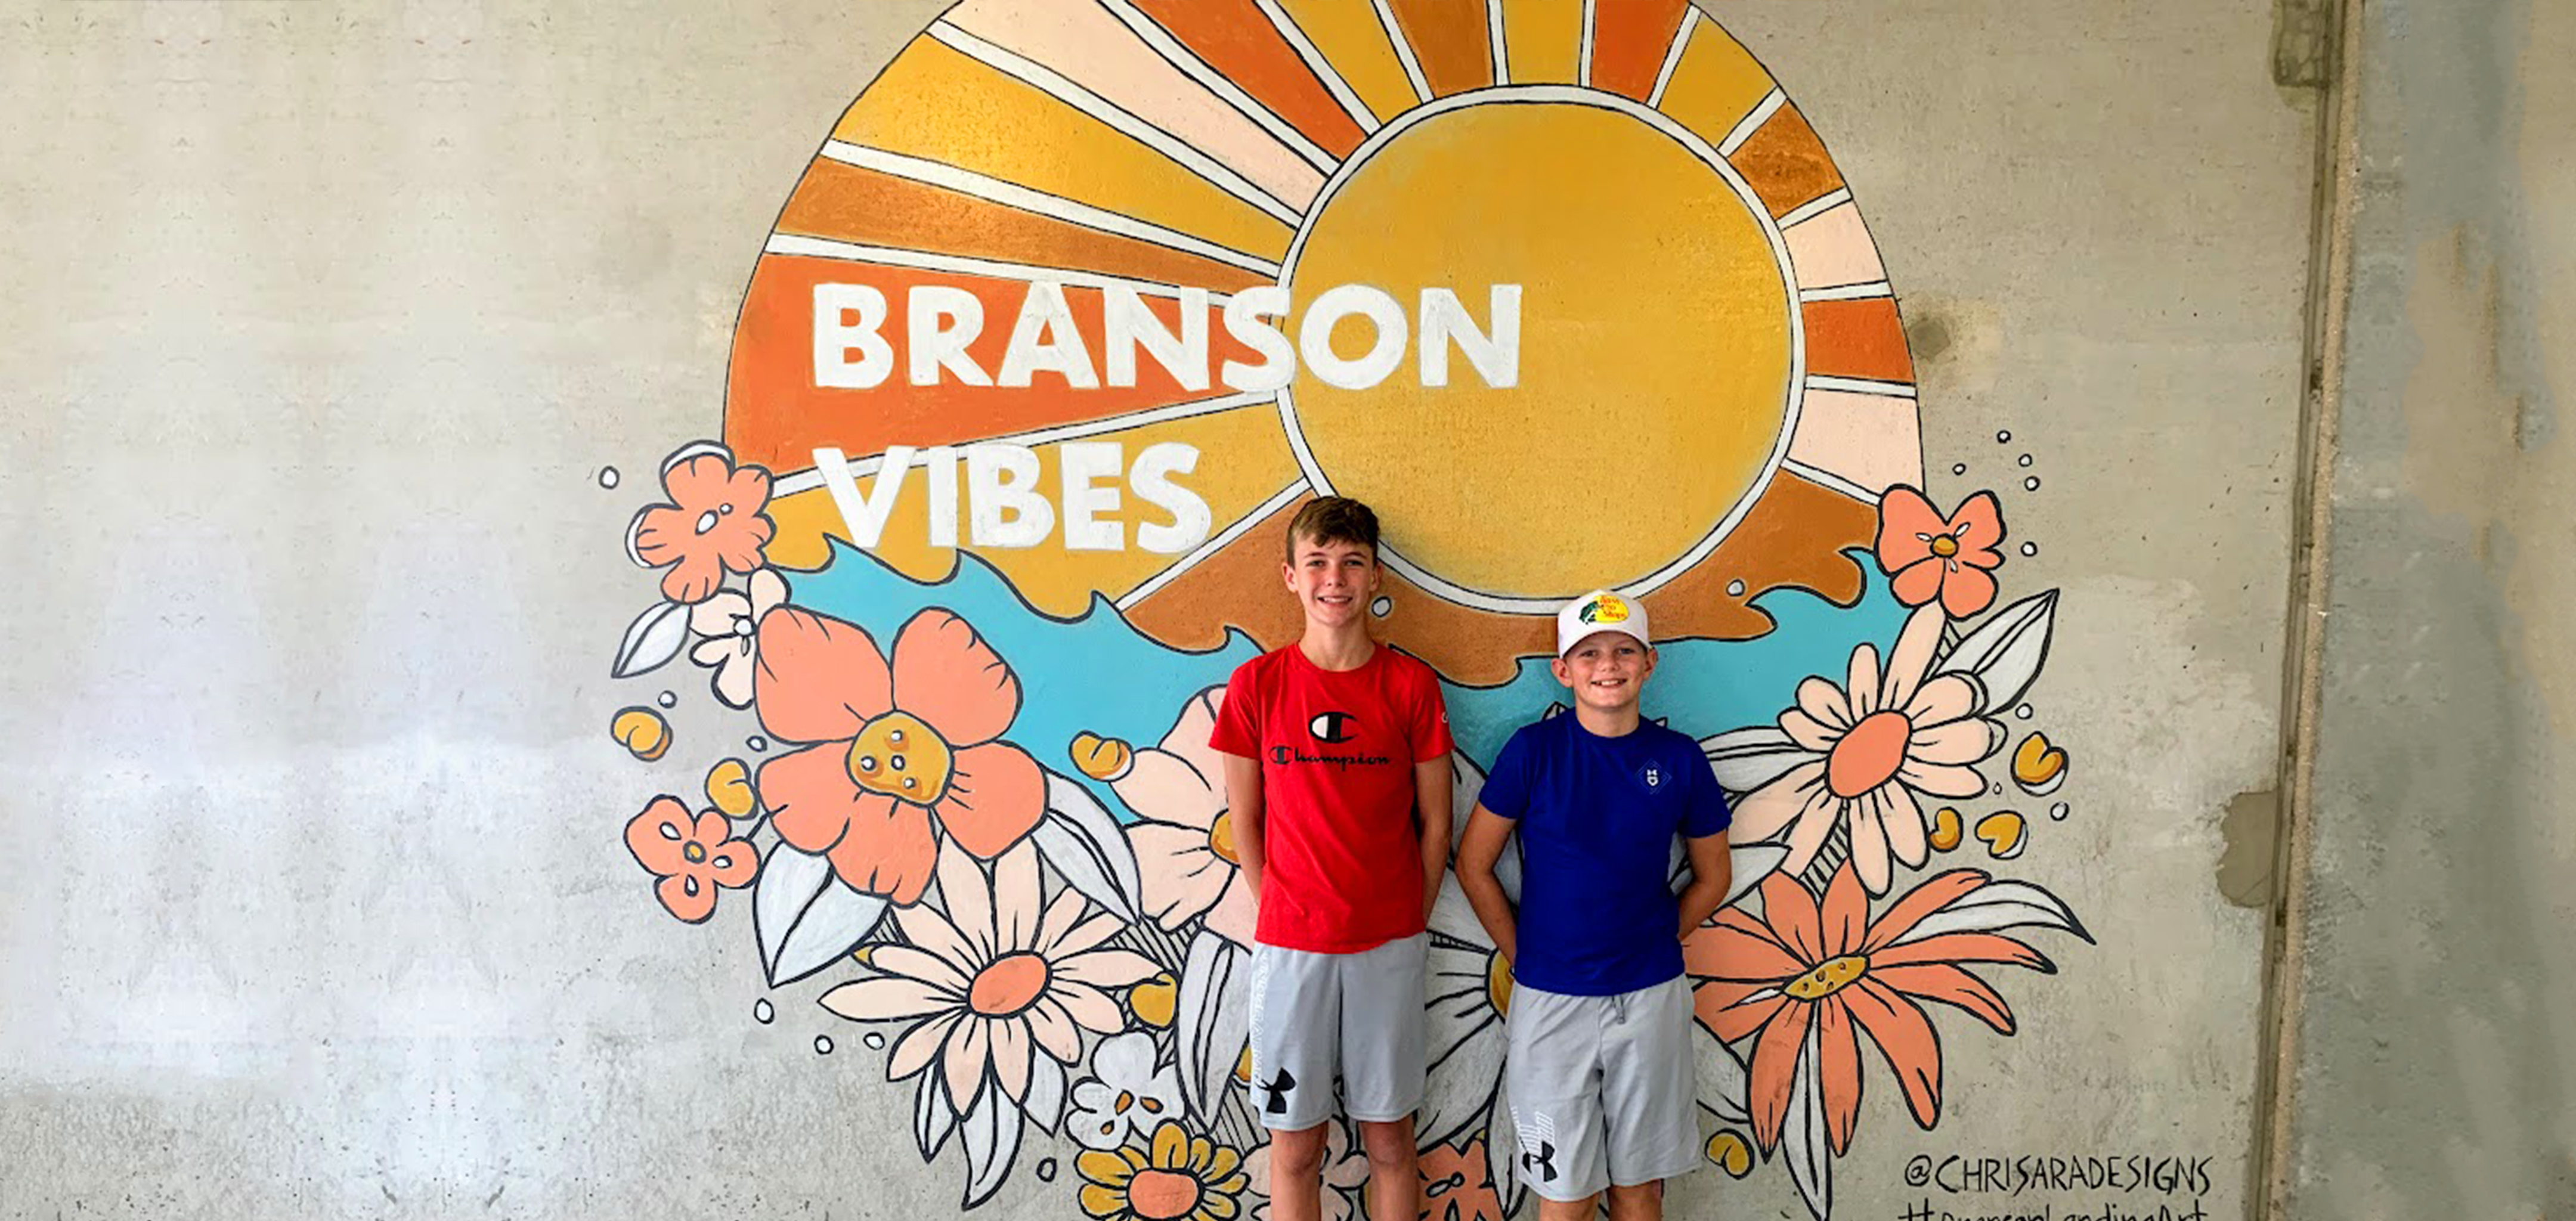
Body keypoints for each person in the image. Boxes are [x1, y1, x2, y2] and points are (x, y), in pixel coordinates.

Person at [1209, 496, 1454, 1221]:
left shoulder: (1410, 685)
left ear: (1377, 576)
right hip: (1292, 947)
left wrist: (1409, 912)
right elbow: (1244, 820)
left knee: (1389, 1140)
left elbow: (1436, 822)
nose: (1334, 578)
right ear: (1291, 575)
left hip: (1389, 942)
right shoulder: (1258, 686)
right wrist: (1279, 904)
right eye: (1317, 562)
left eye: (1351, 563)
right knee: (1295, 1148)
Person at [1454, 590, 1733, 1220]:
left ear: (1649, 662)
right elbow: (1474, 865)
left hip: (1651, 996)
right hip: (1551, 1004)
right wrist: (1523, 955)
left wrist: (1660, 935)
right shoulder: (1534, 751)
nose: (1608, 664)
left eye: (1623, 650)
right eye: (1589, 653)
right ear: (1563, 669)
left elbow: (1713, 875)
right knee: (1566, 1192)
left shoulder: (1679, 758)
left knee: (1640, 1188)